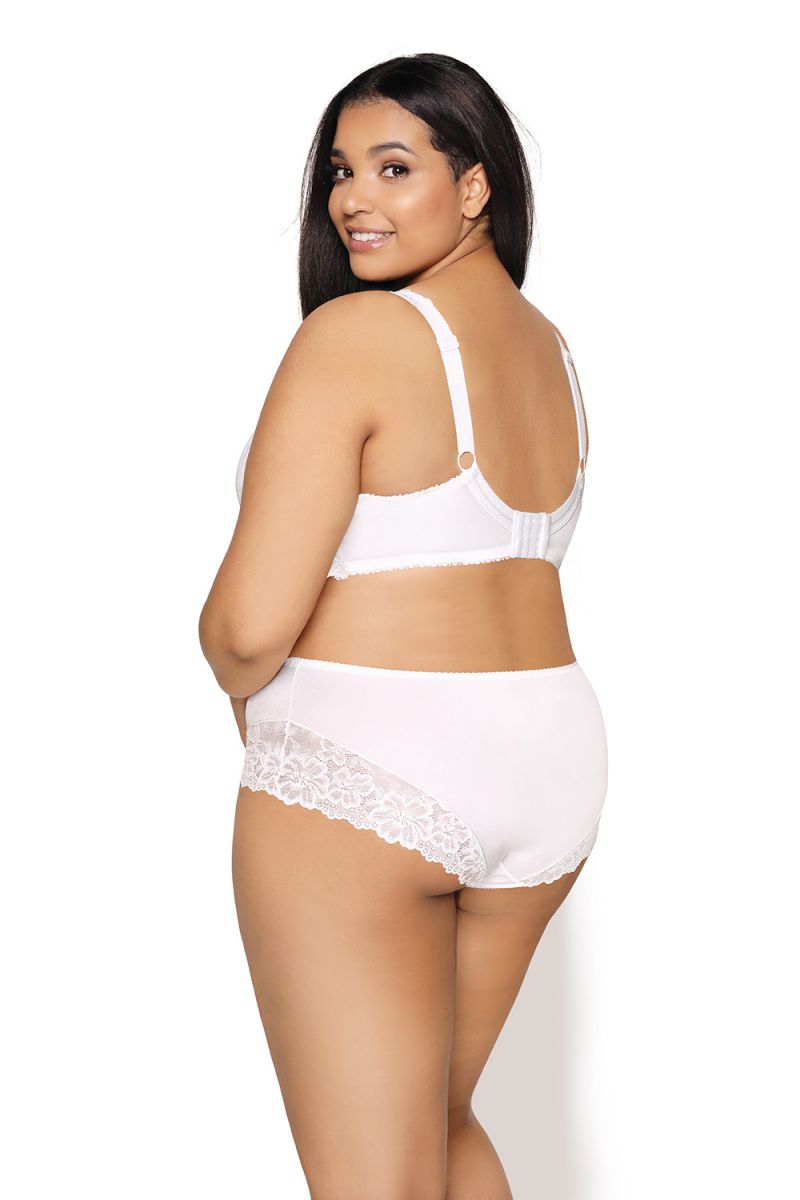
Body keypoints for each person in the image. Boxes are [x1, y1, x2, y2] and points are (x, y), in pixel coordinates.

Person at [199, 51, 608, 1200]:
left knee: (373, 1179)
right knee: (437, 1123)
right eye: (340, 171)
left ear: (474, 186)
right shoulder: (549, 352)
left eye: (393, 167)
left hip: (370, 758)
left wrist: (227, 666)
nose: (351, 200)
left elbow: (247, 628)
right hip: (548, 758)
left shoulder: (358, 336)